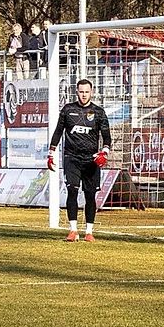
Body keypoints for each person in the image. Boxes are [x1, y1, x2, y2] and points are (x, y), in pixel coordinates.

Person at [48, 79, 112, 242]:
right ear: (76, 92)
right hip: (72, 158)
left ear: (92, 92)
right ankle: (73, 230)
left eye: (86, 92)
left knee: (90, 195)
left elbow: (106, 136)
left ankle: (89, 232)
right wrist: (51, 152)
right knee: (72, 191)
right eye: (81, 91)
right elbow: (58, 131)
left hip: (91, 160)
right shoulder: (68, 110)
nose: (84, 95)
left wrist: (104, 151)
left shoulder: (98, 112)